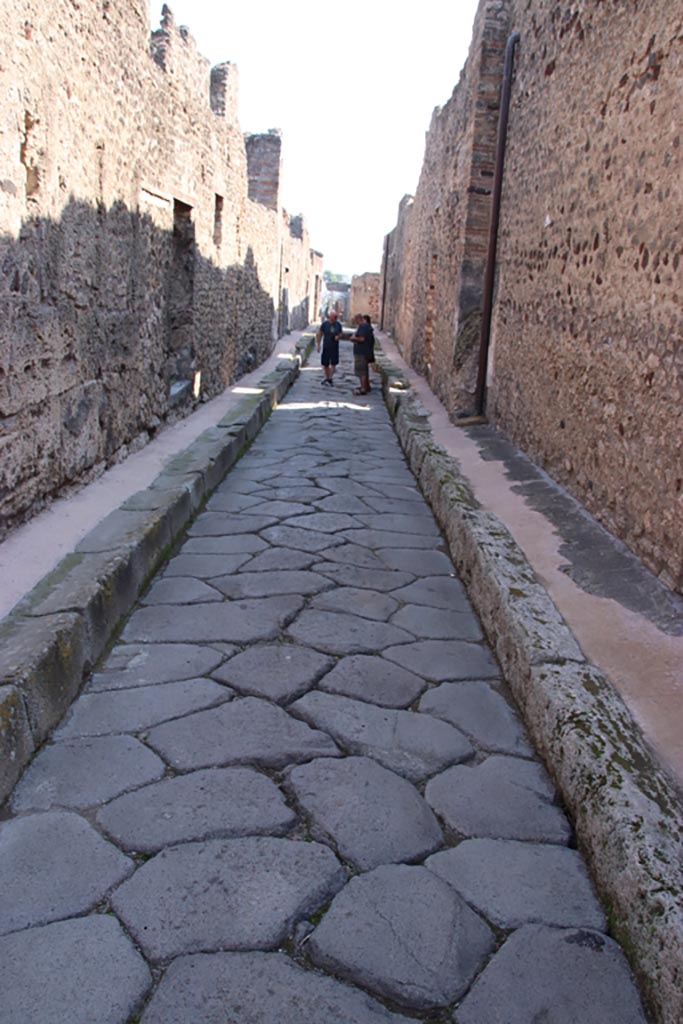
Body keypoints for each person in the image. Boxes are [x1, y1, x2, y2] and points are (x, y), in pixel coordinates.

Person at [316, 309, 342, 386]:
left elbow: (341, 333)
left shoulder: (338, 325)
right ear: (330, 317)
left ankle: (330, 378)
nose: (335, 318)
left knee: (334, 364)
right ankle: (328, 378)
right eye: (334, 317)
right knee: (325, 363)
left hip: (334, 347)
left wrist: (338, 337)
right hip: (326, 346)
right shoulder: (325, 324)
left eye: (336, 317)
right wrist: (318, 345)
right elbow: (320, 334)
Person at [349, 313, 374, 395]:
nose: (355, 322)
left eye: (355, 320)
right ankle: (366, 386)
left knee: (361, 371)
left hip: (361, 352)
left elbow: (362, 338)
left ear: (358, 319)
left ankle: (363, 388)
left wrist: (353, 338)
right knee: (365, 370)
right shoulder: (365, 326)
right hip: (365, 351)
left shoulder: (363, 326)